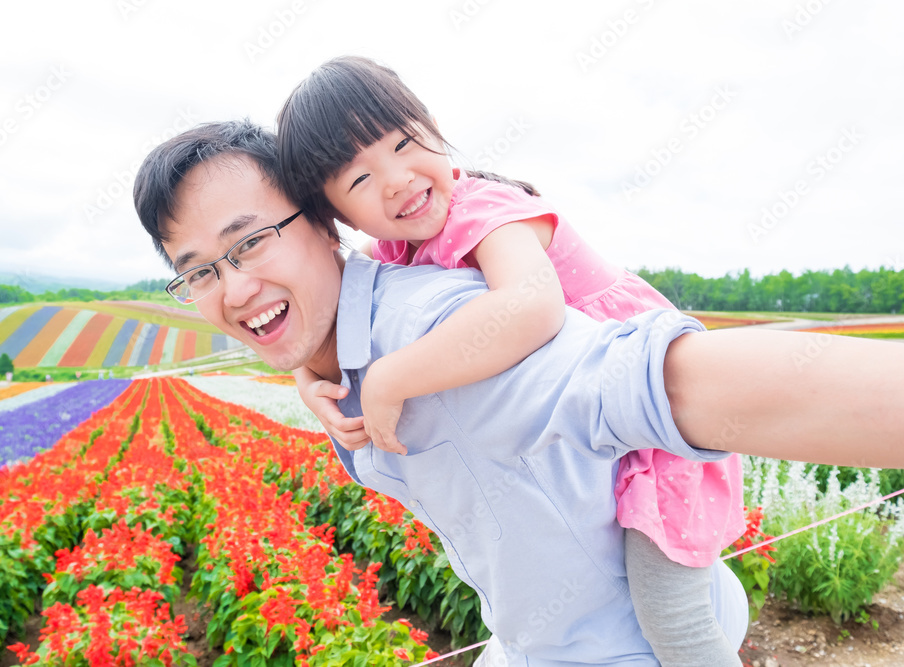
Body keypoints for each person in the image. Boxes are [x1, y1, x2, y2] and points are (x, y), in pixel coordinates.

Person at [133, 120, 904, 666]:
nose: (235, 287)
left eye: (250, 242)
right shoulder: (346, 352)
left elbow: (655, 380)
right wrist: (308, 373)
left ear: (325, 225)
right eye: (200, 270)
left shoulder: (441, 334)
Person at [275, 56, 745, 664]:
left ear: (435, 128)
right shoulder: (391, 244)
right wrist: (305, 379)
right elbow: (326, 313)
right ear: (334, 213)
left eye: (403, 142)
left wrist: (394, 376)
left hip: (652, 423)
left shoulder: (485, 211)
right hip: (586, 437)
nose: (394, 179)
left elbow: (531, 307)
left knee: (671, 615)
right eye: (359, 180)